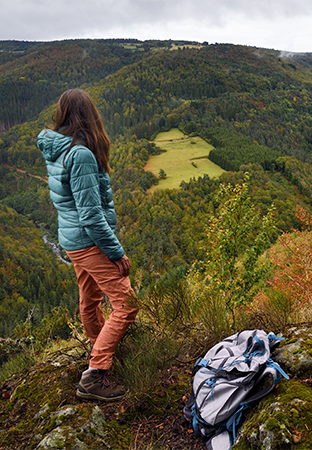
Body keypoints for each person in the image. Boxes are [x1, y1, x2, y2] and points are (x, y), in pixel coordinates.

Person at [37, 88, 138, 402]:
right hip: (88, 240)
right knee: (127, 304)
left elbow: (69, 204)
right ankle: (95, 375)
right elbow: (92, 215)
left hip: (71, 240)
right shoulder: (80, 154)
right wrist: (116, 252)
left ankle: (100, 351)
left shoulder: (58, 148)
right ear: (90, 115)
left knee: (90, 298)